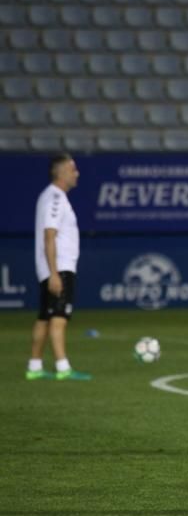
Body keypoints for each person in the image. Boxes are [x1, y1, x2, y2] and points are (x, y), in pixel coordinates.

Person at [27, 153, 90, 381]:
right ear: (60, 172)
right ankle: (63, 367)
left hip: (52, 267)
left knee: (45, 317)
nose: (77, 173)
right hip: (59, 267)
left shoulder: (52, 197)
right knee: (59, 316)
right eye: (73, 169)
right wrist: (54, 273)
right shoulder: (55, 198)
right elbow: (49, 235)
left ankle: (34, 366)